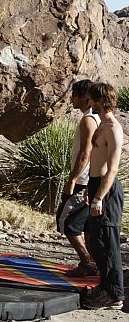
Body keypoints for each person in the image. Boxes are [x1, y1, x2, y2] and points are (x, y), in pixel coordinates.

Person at [83, 82, 125, 310]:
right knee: (96, 241)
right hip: (96, 184)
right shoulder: (101, 125)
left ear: (100, 100)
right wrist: (91, 191)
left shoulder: (113, 128)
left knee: (108, 243)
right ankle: (105, 286)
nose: (88, 103)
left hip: (107, 189)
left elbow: (113, 168)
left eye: (91, 99)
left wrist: (100, 197)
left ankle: (114, 295)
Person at [55, 79, 100, 276]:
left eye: (74, 94)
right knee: (88, 226)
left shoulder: (88, 120)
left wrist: (73, 179)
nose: (71, 98)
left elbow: (85, 152)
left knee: (67, 222)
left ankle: (88, 262)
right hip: (93, 179)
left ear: (84, 98)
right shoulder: (99, 119)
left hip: (84, 180)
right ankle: (95, 264)